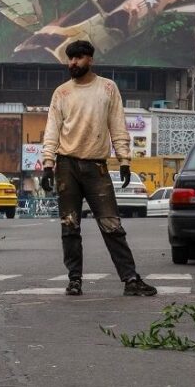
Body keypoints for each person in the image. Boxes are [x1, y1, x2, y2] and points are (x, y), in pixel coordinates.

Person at [40, 40, 156, 297]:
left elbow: (117, 125)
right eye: (70, 58)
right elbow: (52, 130)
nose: (73, 63)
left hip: (97, 167)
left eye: (78, 58)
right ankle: (74, 281)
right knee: (70, 226)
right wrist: (48, 164)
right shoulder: (61, 92)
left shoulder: (107, 88)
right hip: (66, 166)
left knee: (111, 224)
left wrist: (124, 160)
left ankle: (131, 280)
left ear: (90, 60)